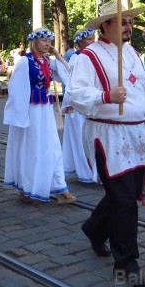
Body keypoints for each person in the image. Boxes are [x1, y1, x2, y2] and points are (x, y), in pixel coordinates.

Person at [66, 1, 145, 287]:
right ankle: (127, 263)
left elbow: (142, 89)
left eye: (131, 22)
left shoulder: (131, 52)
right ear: (106, 25)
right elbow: (75, 94)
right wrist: (106, 96)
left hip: (135, 133)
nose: (130, 26)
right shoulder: (88, 56)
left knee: (125, 195)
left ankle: (94, 229)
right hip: (107, 134)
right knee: (123, 200)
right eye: (124, 21)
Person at [3, 27, 76, 204]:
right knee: (32, 149)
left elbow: (70, 75)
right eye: (43, 40)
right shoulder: (25, 61)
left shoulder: (48, 61)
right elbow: (15, 89)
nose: (47, 43)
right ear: (34, 42)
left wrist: (58, 56)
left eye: (49, 40)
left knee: (52, 146)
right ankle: (27, 188)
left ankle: (59, 187)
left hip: (45, 110)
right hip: (31, 111)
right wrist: (21, 116)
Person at [61, 29, 98, 184]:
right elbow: (72, 82)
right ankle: (86, 172)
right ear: (80, 42)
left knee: (91, 138)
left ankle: (94, 171)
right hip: (78, 106)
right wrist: (69, 103)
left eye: (92, 38)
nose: (92, 42)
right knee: (80, 138)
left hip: (92, 102)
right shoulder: (77, 58)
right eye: (89, 39)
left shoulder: (92, 56)